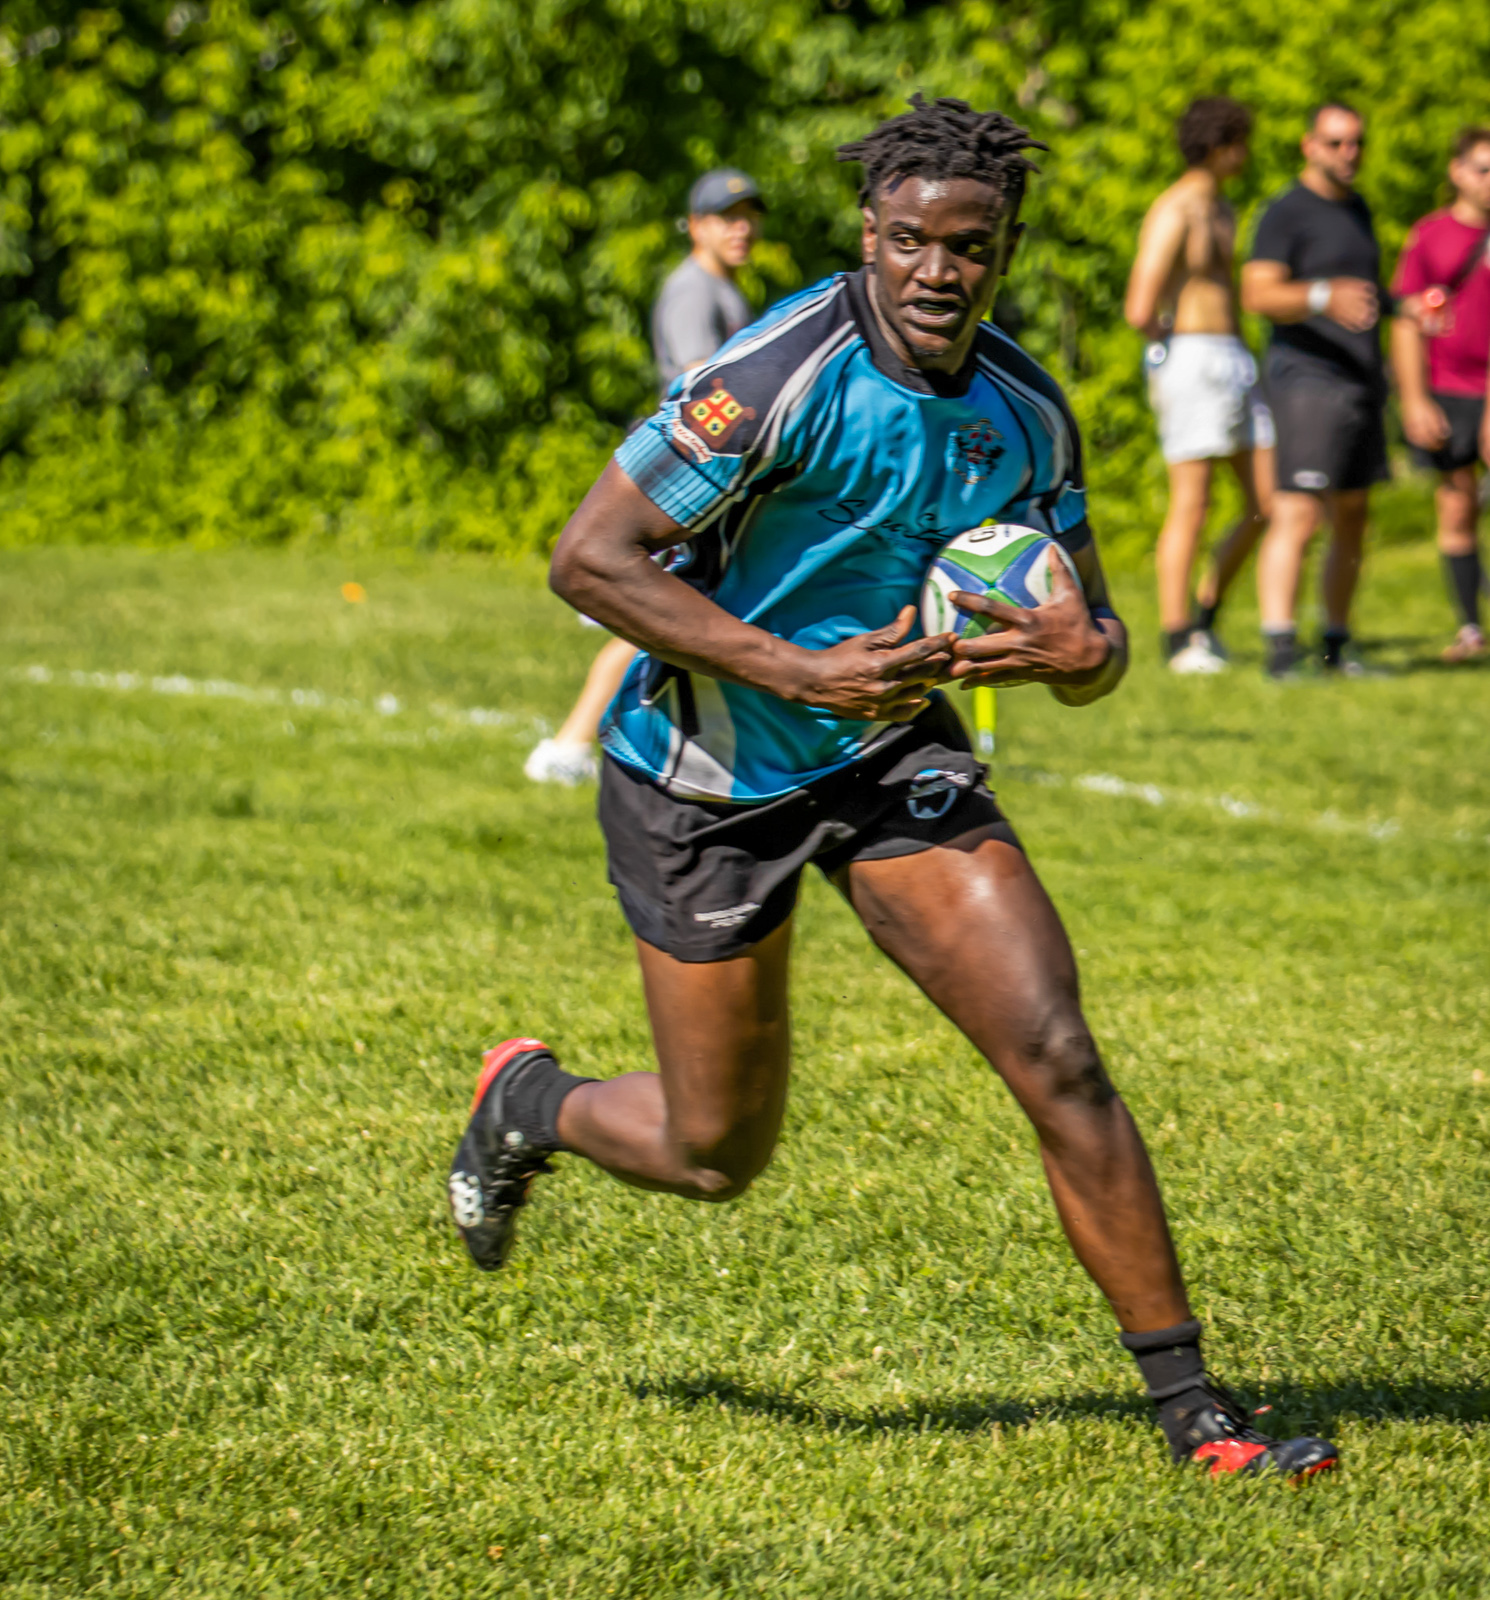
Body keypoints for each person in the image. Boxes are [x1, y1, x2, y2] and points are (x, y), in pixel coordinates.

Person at [447, 95, 1339, 1481]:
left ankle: (1197, 1417)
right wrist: (791, 672)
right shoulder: (775, 372)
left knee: (1055, 1052)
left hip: (889, 752)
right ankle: (528, 1104)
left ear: (1002, 249)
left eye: (967, 247)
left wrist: (1075, 653)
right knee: (710, 1150)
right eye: (911, 240)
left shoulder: (1024, 411)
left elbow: (1090, 642)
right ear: (869, 234)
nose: (937, 271)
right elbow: (589, 560)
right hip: (703, 773)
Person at [524, 170, 767, 784]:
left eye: (749, 215)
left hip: (708, 480)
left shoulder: (726, 290)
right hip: (689, 477)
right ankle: (569, 746)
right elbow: (702, 383)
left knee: (680, 616)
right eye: (725, 216)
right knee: (654, 617)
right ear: (695, 226)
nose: (741, 228)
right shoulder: (695, 291)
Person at [1124, 97, 1275, 674]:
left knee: (1266, 502)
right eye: (1240, 142)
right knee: (1194, 502)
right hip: (1191, 357)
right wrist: (1169, 349)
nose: (1246, 154)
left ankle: (1205, 614)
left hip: (1235, 358)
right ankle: (1175, 635)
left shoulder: (1224, 207)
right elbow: (1140, 304)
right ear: (1220, 145)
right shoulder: (1177, 208)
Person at [1242, 103, 1388, 679]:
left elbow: (1370, 294)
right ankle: (1281, 651)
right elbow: (1257, 293)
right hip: (1305, 377)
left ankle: (1335, 645)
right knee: (1299, 512)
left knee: (1352, 515)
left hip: (1360, 381)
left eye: (1356, 142)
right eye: (1335, 143)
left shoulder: (1358, 209)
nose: (1348, 153)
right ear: (1309, 145)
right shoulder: (1285, 213)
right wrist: (1323, 297)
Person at [1390, 127, 1490, 664]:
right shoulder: (1430, 236)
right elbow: (1406, 320)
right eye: (1483, 168)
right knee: (1456, 505)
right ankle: (1471, 628)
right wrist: (1414, 399)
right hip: (1448, 387)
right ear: (1456, 172)